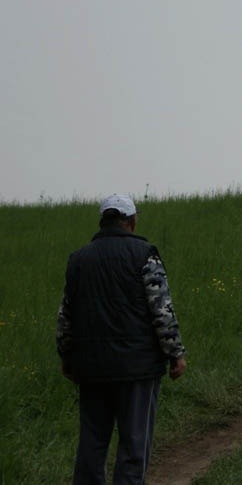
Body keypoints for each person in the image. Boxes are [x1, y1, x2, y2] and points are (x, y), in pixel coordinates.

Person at [56, 193, 187, 484]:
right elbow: (161, 310)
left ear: (102, 222)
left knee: (91, 444)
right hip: (137, 369)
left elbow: (66, 314)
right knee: (134, 445)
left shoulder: (79, 259)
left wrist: (67, 356)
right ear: (132, 221)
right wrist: (175, 353)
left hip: (91, 368)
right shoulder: (144, 254)